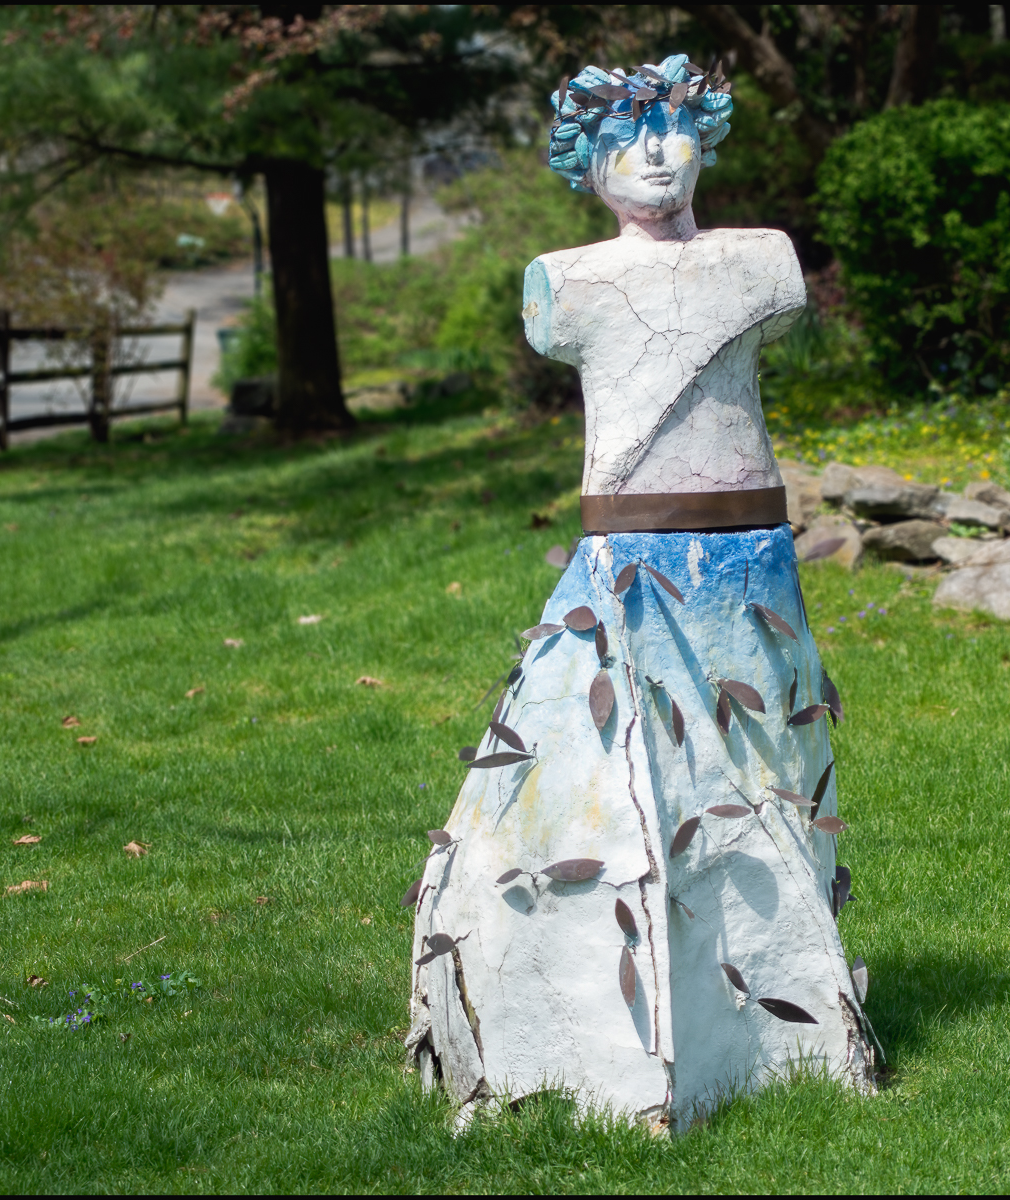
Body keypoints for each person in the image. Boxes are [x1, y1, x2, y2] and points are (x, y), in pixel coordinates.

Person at [406, 55, 876, 1129]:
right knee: (623, 777)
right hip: (630, 560)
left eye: (673, 129)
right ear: (587, 163)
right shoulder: (565, 281)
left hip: (751, 558)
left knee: (767, 776)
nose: (657, 154)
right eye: (626, 139)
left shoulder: (760, 262)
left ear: (706, 135)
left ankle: (776, 1015)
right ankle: (609, 1019)